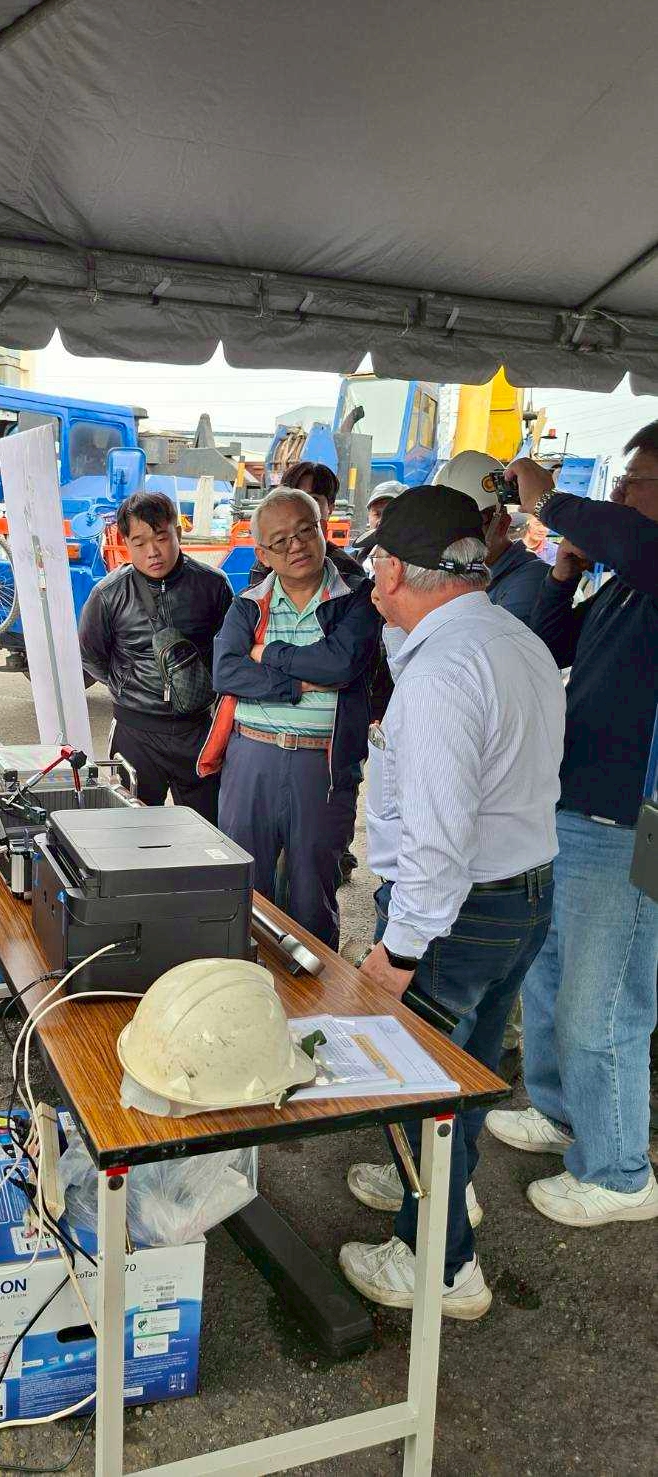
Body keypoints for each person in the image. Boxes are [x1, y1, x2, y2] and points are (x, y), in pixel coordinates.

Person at [339, 485, 564, 1319]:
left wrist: (395, 953)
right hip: (523, 894)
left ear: (398, 570)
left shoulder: (442, 673)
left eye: (376, 567)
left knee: (420, 1085)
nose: (371, 583)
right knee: (465, 1071)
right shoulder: (513, 638)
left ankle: (441, 1264)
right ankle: (439, 1190)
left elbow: (437, 843)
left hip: (457, 913)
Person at [485, 430, 658, 1227]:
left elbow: (625, 533)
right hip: (571, 809)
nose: (618, 495)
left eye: (634, 480)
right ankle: (561, 1113)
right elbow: (545, 641)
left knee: (603, 1004)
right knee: (549, 978)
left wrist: (547, 499)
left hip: (628, 825)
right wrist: (562, 570)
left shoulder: (648, 562)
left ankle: (619, 1172)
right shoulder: (626, 585)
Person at [208, 487, 379, 948]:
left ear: (323, 533)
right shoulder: (249, 603)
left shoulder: (357, 598)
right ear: (262, 553)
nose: (296, 546)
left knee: (312, 894)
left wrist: (266, 653)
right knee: (243, 887)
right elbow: (226, 672)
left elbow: (340, 664)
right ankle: (244, 980)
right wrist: (298, 684)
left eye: (305, 531)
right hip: (251, 757)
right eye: (280, 541)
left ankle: (314, 988)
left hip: (321, 765)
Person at [78, 490, 232, 820]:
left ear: (178, 532)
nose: (153, 552)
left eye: (161, 538)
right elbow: (90, 655)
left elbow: (228, 653)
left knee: (208, 830)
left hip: (197, 732)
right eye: (139, 542)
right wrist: (126, 684)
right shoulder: (108, 593)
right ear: (126, 543)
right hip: (135, 734)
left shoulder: (213, 586)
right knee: (132, 831)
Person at [434, 450, 547, 627]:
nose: (452, 534)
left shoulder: (531, 579)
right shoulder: (452, 571)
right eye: (445, 523)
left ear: (502, 523)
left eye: (467, 523)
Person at [249, 462, 362, 586]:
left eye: (313, 498)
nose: (302, 505)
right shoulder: (263, 566)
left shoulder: (350, 572)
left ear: (330, 508)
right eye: (293, 497)